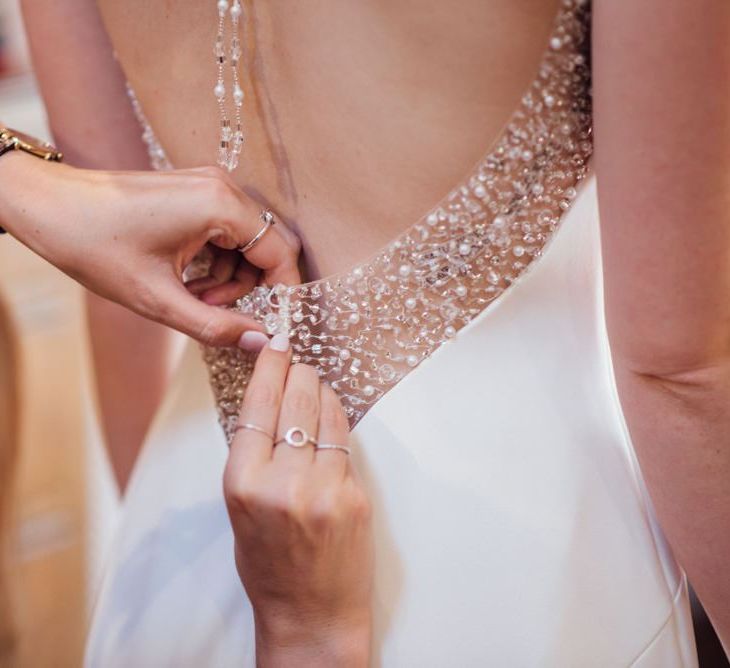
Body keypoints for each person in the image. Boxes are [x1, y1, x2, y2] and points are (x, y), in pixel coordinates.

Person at [19, 0, 730, 665]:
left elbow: (123, 293)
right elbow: (680, 369)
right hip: (521, 538)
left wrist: (162, 528)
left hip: (196, 514)